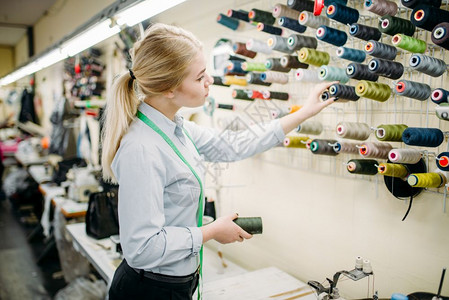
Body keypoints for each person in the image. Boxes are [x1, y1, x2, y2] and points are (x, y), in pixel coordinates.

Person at [101, 23, 335, 300]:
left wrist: (304, 112)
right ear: (169, 89)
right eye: (200, 78)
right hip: (149, 291)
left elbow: (232, 145)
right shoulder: (141, 148)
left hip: (178, 284)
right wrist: (210, 232)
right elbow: (141, 248)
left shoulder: (177, 128)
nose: (209, 81)